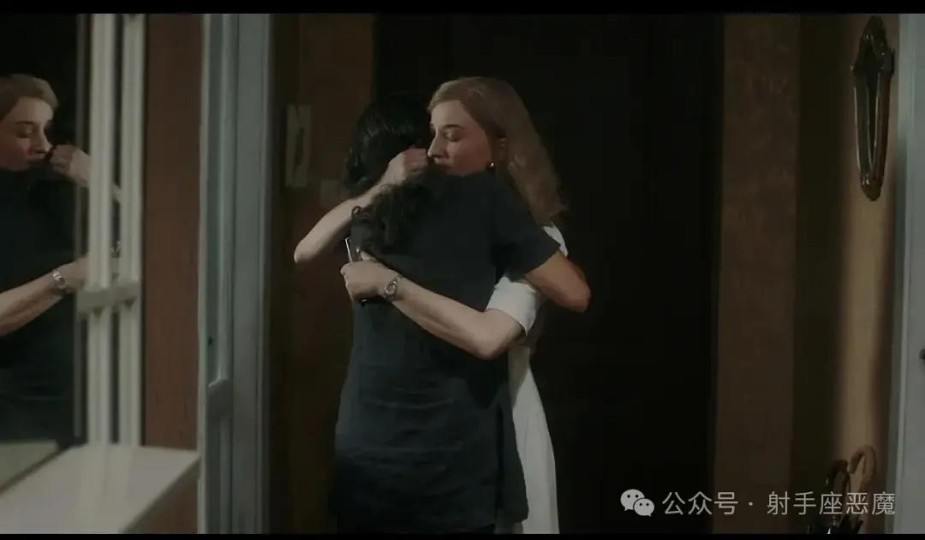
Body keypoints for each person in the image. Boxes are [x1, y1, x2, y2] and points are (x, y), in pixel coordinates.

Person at [340, 77, 574, 534]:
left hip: (499, 419)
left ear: (499, 149)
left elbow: (488, 336)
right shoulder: (416, 217)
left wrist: (388, 283)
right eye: (431, 135)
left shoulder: (536, 239)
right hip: (425, 438)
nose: (433, 152)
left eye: (452, 136)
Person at [0, 74, 93, 448]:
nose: (43, 145)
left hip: (85, 403)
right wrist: (66, 278)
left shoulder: (62, 190)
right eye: (25, 132)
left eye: (47, 130)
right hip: (18, 414)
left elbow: (158, 238)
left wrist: (101, 181)